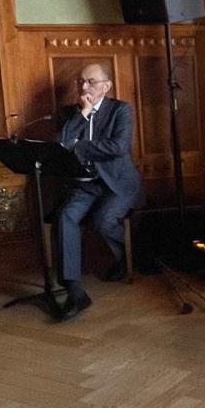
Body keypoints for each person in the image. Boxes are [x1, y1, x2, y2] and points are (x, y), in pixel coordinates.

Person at [54, 62, 144, 321]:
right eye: (80, 82)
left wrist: (78, 147)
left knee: (103, 221)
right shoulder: (70, 113)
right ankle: (75, 290)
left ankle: (127, 257)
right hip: (85, 184)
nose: (84, 87)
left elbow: (118, 147)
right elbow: (61, 145)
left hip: (118, 183)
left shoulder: (120, 110)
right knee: (65, 216)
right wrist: (83, 114)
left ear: (106, 86)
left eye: (91, 82)